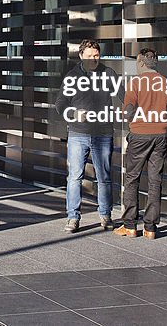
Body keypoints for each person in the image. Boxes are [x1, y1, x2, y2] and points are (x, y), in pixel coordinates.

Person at [55, 39, 118, 233]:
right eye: (90, 56)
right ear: (81, 56)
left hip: (103, 133)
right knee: (74, 178)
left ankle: (105, 216)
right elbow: (60, 104)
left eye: (96, 55)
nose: (94, 59)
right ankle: (73, 218)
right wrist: (74, 113)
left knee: (104, 178)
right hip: (77, 133)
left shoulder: (109, 74)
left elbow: (125, 97)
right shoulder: (72, 77)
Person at [115, 48, 167, 240]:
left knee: (132, 178)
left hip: (140, 135)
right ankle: (150, 228)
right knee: (154, 181)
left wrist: (133, 124)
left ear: (140, 63)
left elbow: (128, 110)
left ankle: (130, 226)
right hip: (160, 136)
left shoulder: (135, 82)